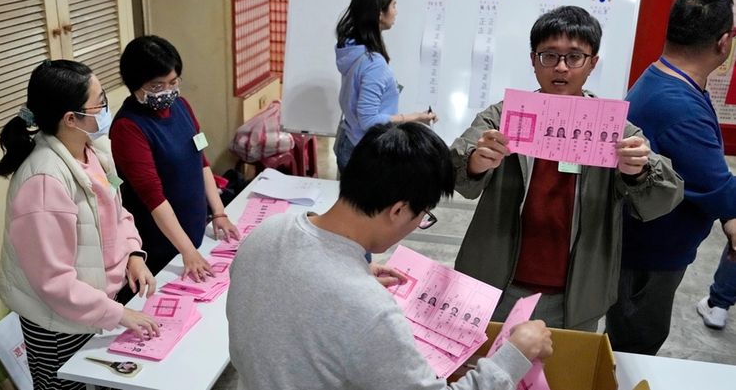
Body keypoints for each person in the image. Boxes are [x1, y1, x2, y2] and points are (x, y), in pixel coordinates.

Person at [228, 122, 553, 390]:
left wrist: (352, 273)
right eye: (423, 215)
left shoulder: (266, 233)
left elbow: (293, 294)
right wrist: (515, 355)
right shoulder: (371, 311)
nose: (417, 224)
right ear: (398, 210)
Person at [450, 6, 683, 331]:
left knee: (563, 373)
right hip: (497, 282)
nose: (561, 67)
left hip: (578, 293)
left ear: (592, 64)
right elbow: (455, 167)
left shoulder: (613, 129)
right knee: (490, 373)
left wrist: (639, 171)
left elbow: (664, 196)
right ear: (533, 60)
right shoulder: (503, 117)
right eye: (549, 55)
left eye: (574, 57)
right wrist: (476, 161)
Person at [0, 60, 160, 390]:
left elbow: (118, 213)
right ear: (70, 119)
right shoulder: (43, 181)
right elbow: (54, 282)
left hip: (97, 307)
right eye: (100, 102)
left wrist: (133, 254)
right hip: (58, 322)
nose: (106, 108)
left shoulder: (92, 151)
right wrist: (119, 315)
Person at [606, 0, 736, 352]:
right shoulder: (680, 107)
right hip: (649, 257)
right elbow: (719, 188)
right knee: (637, 346)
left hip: (643, 245)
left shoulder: (664, 77)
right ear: (724, 42)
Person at [110, 35, 240, 282]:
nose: (167, 92)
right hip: (162, 245)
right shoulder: (128, 127)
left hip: (195, 230)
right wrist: (187, 251)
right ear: (135, 84)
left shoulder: (182, 106)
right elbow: (154, 198)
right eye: (157, 86)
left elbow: (200, 159)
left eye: (173, 82)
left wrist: (219, 212)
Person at [334, 0, 436, 173]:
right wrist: (413, 117)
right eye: (394, 5)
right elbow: (368, 120)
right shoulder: (373, 64)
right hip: (364, 152)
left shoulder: (351, 48)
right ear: (380, 13)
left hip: (349, 143)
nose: (396, 11)